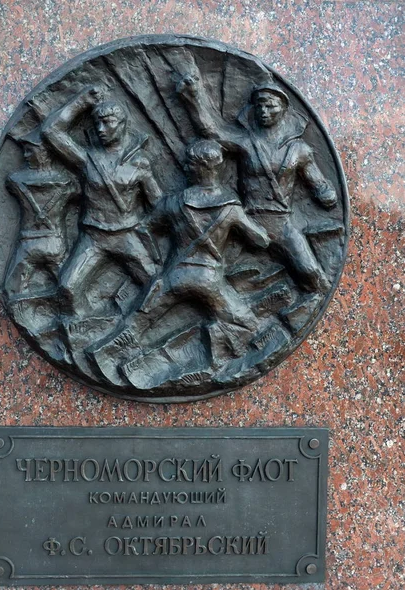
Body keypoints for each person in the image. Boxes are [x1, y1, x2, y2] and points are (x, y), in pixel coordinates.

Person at [90, 140, 270, 386]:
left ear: (203, 168)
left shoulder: (173, 203)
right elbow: (261, 241)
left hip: (174, 276)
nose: (185, 168)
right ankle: (219, 349)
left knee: (140, 319)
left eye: (189, 163)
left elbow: (144, 229)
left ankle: (108, 355)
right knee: (247, 323)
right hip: (209, 280)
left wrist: (157, 263)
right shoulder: (231, 208)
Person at [177, 76, 337, 293]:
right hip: (244, 221)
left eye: (270, 105)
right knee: (206, 275)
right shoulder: (246, 142)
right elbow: (212, 132)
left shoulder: (299, 150)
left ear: (283, 109)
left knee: (311, 274)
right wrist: (194, 97)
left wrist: (324, 192)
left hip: (281, 223)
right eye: (259, 104)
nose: (263, 110)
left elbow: (318, 183)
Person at [41, 85, 163, 316]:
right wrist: (82, 101)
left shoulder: (140, 163)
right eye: (97, 123)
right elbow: (51, 131)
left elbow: (158, 204)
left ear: (123, 124)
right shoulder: (87, 159)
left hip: (127, 236)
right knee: (67, 287)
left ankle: (133, 332)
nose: (100, 129)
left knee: (156, 284)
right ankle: (83, 328)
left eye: (107, 123)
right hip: (93, 237)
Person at [4, 126, 77, 301]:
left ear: (45, 153)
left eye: (30, 151)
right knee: (70, 289)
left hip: (29, 245)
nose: (26, 156)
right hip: (54, 243)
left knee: (13, 290)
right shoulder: (67, 182)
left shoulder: (15, 180)